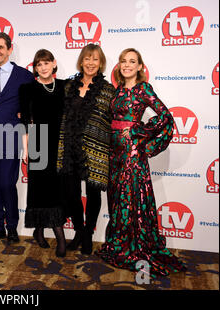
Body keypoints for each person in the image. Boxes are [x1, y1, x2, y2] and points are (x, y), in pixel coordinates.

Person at [96, 48, 187, 276]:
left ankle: (134, 247)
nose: (126, 65)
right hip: (114, 153)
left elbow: (166, 117)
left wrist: (142, 133)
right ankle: (120, 243)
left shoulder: (143, 89)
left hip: (132, 153)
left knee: (131, 198)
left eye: (132, 61)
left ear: (139, 67)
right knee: (118, 198)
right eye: (123, 61)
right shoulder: (117, 91)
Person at [57, 44, 115, 255]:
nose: (91, 63)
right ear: (81, 61)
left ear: (101, 64)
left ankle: (88, 234)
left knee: (93, 195)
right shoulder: (67, 86)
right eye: (87, 59)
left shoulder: (108, 90)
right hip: (69, 149)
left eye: (95, 60)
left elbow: (115, 120)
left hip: (96, 151)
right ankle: (79, 231)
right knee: (71, 194)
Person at [0, 32, 35, 244]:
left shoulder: (24, 76)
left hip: (11, 138)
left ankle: (12, 227)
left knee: (7, 184)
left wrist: (25, 115)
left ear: (9, 49)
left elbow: (32, 106)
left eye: (1, 47)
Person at [19, 49, 67, 257]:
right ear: (35, 68)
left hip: (59, 144)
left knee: (56, 190)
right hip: (37, 141)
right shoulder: (27, 88)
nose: (43, 67)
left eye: (46, 63)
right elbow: (25, 121)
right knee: (39, 190)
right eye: (39, 64)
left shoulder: (65, 86)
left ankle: (43, 231)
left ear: (54, 63)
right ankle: (56, 236)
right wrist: (26, 148)